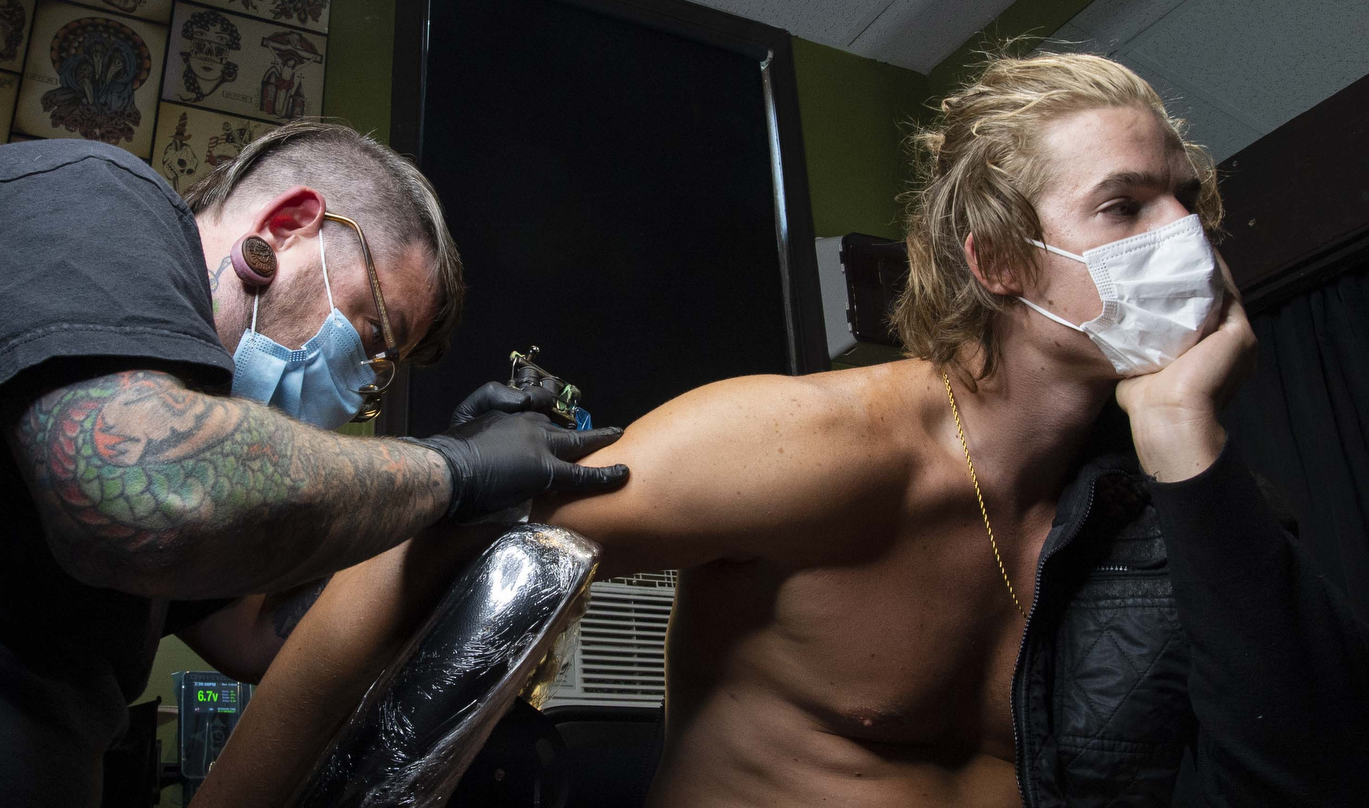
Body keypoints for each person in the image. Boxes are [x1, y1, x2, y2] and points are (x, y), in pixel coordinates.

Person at [196, 54, 1369, 808]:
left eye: (1187, 200)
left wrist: (1181, 434)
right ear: (1002, 261)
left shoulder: (1165, 513)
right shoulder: (816, 443)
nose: (1186, 235)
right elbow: (412, 561)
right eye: (1125, 204)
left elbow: (1306, 764)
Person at [0, 120, 629, 807]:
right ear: (290, 225)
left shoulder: (190, 440)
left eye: (380, 365)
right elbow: (150, 494)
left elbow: (262, 637)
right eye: (370, 330)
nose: (363, 380)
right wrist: (451, 468)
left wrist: (460, 512)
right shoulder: (92, 194)